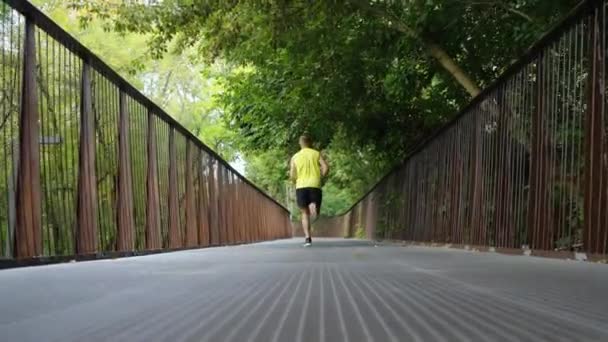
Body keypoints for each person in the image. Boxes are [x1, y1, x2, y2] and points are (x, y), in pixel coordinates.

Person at [289, 134, 329, 247]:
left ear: (300, 144)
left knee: (304, 213)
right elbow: (325, 167)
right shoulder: (316, 153)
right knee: (315, 210)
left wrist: (295, 180)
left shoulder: (295, 157)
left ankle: (308, 238)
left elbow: (292, 174)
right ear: (310, 143)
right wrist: (321, 176)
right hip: (315, 184)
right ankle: (314, 206)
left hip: (301, 186)